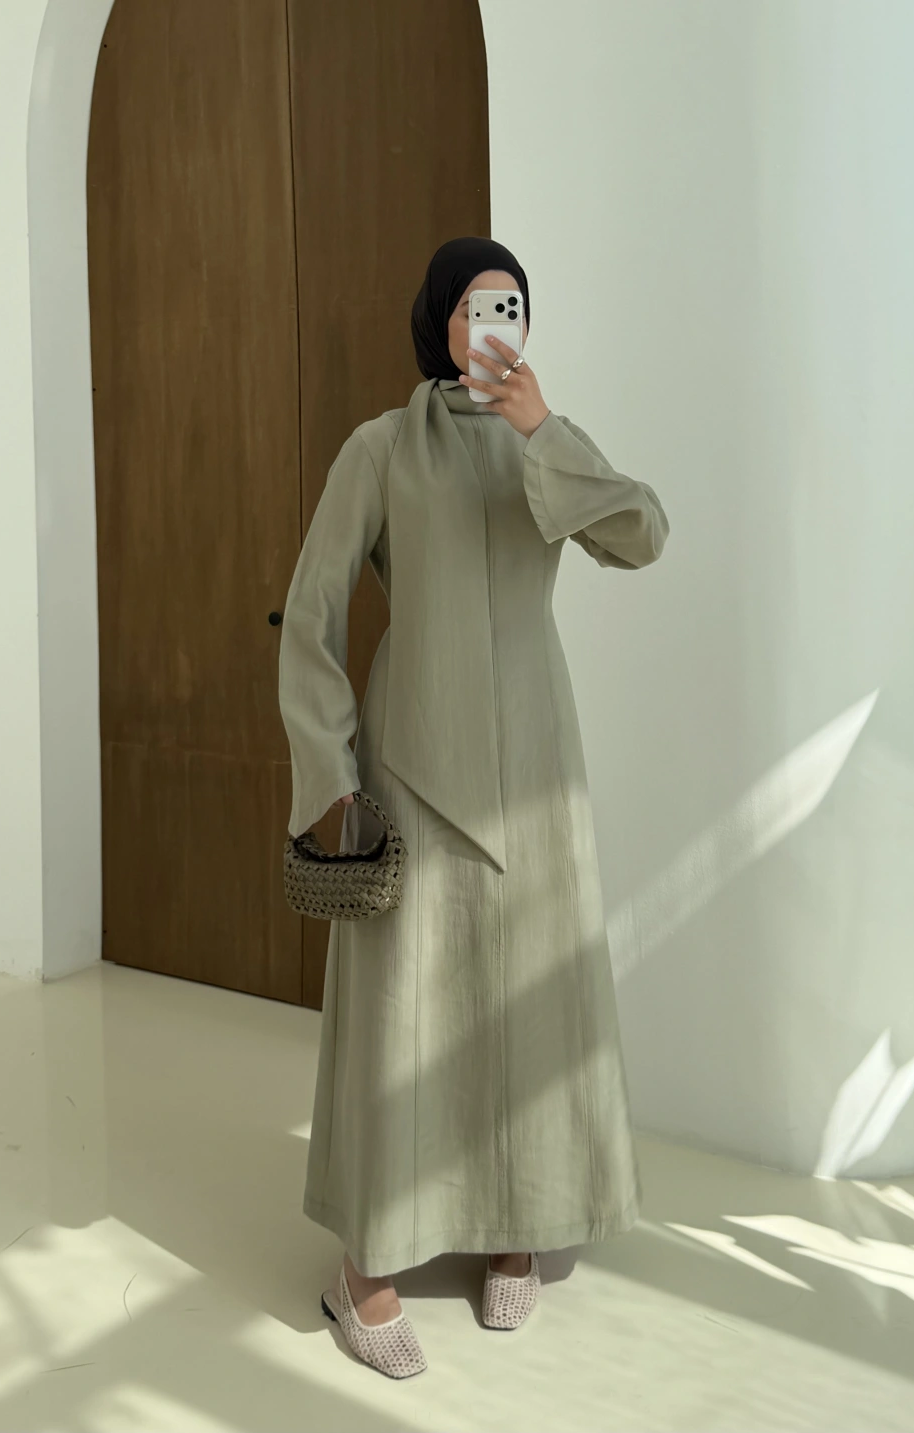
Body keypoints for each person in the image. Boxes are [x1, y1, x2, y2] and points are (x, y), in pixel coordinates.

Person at [278, 236, 668, 1378]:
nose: (495, 321)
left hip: (536, 759)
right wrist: (329, 768)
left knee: (526, 999)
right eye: (474, 304)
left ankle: (515, 1225)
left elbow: (641, 535)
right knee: (405, 1011)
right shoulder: (380, 448)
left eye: (512, 305)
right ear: (438, 321)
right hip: (415, 758)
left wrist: (544, 432)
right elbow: (312, 612)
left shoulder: (548, 443)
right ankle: (365, 1272)